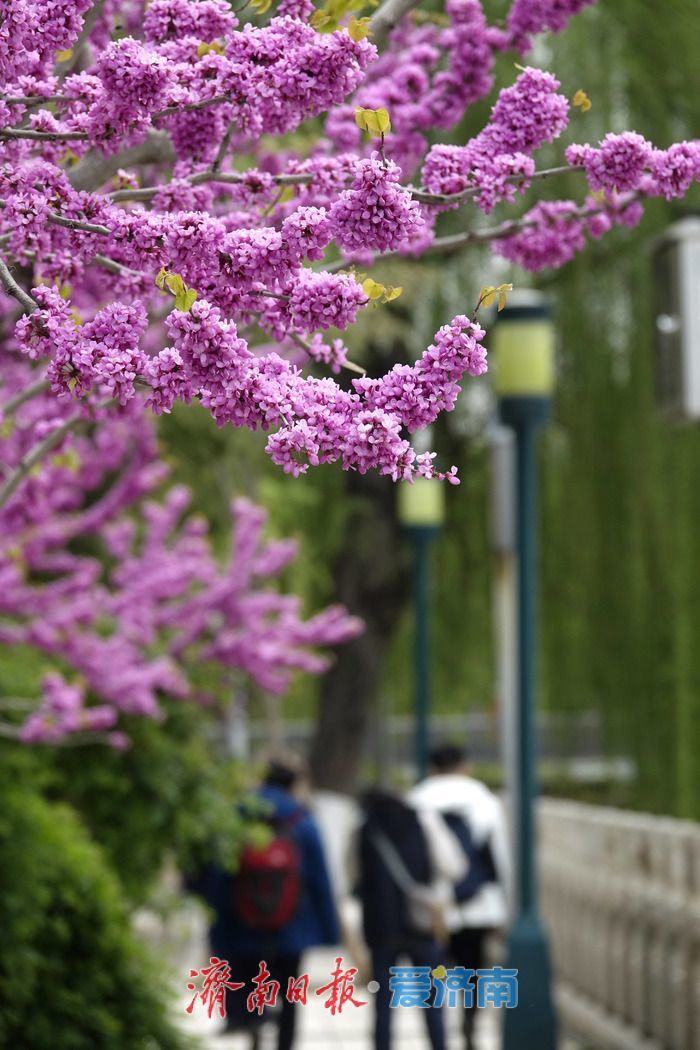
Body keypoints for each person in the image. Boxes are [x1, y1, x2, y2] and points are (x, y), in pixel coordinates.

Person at [192, 755, 340, 1050]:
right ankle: (285, 1042)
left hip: (242, 922)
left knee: (251, 983)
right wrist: (329, 929)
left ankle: (253, 1031)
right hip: (293, 925)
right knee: (290, 994)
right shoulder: (302, 821)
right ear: (293, 784)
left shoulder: (237, 816)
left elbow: (217, 872)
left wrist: (217, 920)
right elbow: (319, 878)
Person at [410, 743, 510, 1050]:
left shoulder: (417, 800)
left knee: (436, 970)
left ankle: (439, 1029)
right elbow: (501, 857)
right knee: (473, 968)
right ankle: (470, 1021)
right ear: (464, 765)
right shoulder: (483, 800)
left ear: (432, 767)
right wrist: (506, 906)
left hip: (435, 903)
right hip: (478, 903)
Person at [356, 788, 467, 1050]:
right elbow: (454, 866)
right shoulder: (423, 820)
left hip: (380, 926)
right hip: (422, 923)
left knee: (383, 1001)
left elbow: (351, 872)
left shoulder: (364, 828)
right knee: (432, 999)